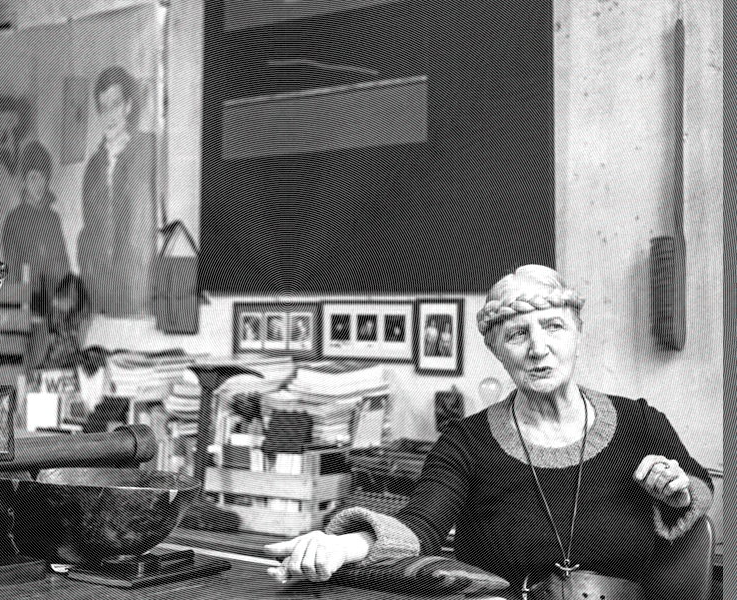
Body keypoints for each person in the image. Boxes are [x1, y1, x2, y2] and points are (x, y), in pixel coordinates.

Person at [264, 265, 714, 599]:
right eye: (517, 334)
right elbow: (420, 527)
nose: (538, 348)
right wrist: (344, 545)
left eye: (554, 326)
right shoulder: (466, 442)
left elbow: (699, 485)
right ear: (497, 351)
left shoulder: (639, 422)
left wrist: (677, 493)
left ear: (578, 332)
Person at [77, 65, 158, 317]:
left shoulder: (148, 150)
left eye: (115, 104)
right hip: (104, 298)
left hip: (143, 296)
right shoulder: (93, 167)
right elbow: (89, 232)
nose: (110, 114)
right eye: (103, 107)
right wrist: (91, 281)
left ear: (128, 106)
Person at [1, 140, 71, 319]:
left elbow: (63, 264)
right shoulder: (14, 221)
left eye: (43, 177)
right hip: (28, 306)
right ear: (24, 181)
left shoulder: (53, 219)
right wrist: (19, 310)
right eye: (33, 177)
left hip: (55, 306)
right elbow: (12, 272)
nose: (39, 184)